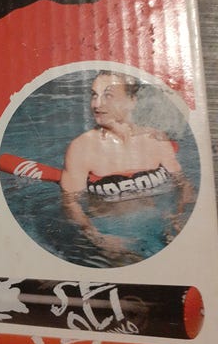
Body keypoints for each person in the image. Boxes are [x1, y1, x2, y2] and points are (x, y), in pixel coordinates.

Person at [60, 70, 194, 256]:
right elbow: (70, 202)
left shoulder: (156, 139)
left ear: (132, 101)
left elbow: (183, 184)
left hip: (161, 225)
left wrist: (178, 217)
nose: (96, 104)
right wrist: (98, 238)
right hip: (110, 233)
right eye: (94, 95)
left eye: (108, 95)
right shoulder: (81, 148)